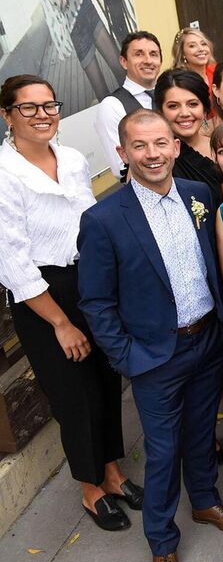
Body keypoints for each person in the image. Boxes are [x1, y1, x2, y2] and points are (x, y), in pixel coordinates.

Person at [78, 109, 223, 562]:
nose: (153, 154)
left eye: (161, 143)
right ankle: (162, 546)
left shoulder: (199, 195)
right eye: (140, 146)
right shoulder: (103, 219)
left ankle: (205, 501)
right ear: (122, 153)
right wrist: (127, 356)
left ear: (176, 147)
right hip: (154, 355)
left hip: (207, 340)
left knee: (202, 433)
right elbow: (95, 300)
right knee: (162, 451)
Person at [1, 75, 141, 532]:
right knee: (72, 394)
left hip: (91, 284)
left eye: (49, 105)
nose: (43, 114)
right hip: (43, 296)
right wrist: (61, 323)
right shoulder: (4, 174)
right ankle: (90, 487)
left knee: (104, 381)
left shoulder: (75, 159)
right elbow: (14, 262)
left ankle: (113, 472)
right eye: (29, 107)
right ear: (7, 116)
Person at [154, 70, 223, 205]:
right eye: (173, 106)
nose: (184, 113)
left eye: (193, 104)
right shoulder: (151, 156)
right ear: (160, 112)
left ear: (205, 109)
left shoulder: (222, 148)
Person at [96, 31, 163, 179]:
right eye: (138, 54)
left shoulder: (168, 95)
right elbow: (122, 169)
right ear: (124, 62)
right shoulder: (112, 106)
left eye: (153, 54)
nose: (148, 60)